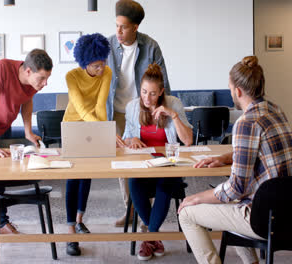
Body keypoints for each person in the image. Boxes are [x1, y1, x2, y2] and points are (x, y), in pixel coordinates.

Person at [178, 56, 292, 264]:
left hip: (264, 218)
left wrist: (196, 198)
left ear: (238, 91)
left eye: (229, 87)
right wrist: (225, 157)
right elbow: (255, 148)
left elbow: (236, 188)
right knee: (224, 203)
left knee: (188, 213)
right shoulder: (275, 110)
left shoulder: (246, 122)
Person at [0, 49, 53, 234]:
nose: (45, 83)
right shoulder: (2, 68)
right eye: (42, 78)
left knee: (2, 172)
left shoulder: (33, 84)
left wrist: (28, 132)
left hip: (5, 124)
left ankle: (0, 219)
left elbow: (27, 104)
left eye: (47, 78)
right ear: (28, 71)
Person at [107, 0, 172, 228]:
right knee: (123, 164)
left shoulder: (150, 46)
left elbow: (163, 83)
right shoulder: (108, 46)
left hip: (142, 110)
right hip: (115, 111)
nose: (118, 32)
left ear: (135, 27)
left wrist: (163, 113)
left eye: (123, 27)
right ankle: (130, 210)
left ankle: (145, 214)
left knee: (148, 158)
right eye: (116, 26)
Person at [122, 63, 192, 261]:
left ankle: (149, 238)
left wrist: (173, 115)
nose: (147, 98)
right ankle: (155, 238)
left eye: (153, 94)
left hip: (168, 166)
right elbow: (126, 138)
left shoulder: (174, 103)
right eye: (144, 92)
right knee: (133, 183)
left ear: (161, 91)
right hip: (143, 167)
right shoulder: (133, 107)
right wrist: (131, 140)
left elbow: (187, 140)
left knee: (165, 183)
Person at [62, 33, 112, 256]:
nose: (101, 69)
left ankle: (80, 219)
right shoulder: (71, 76)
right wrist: (103, 130)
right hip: (73, 127)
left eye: (103, 64)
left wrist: (103, 132)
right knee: (73, 178)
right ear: (85, 64)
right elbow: (81, 109)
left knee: (87, 175)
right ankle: (70, 232)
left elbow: (100, 105)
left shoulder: (107, 72)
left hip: (93, 126)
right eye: (96, 66)